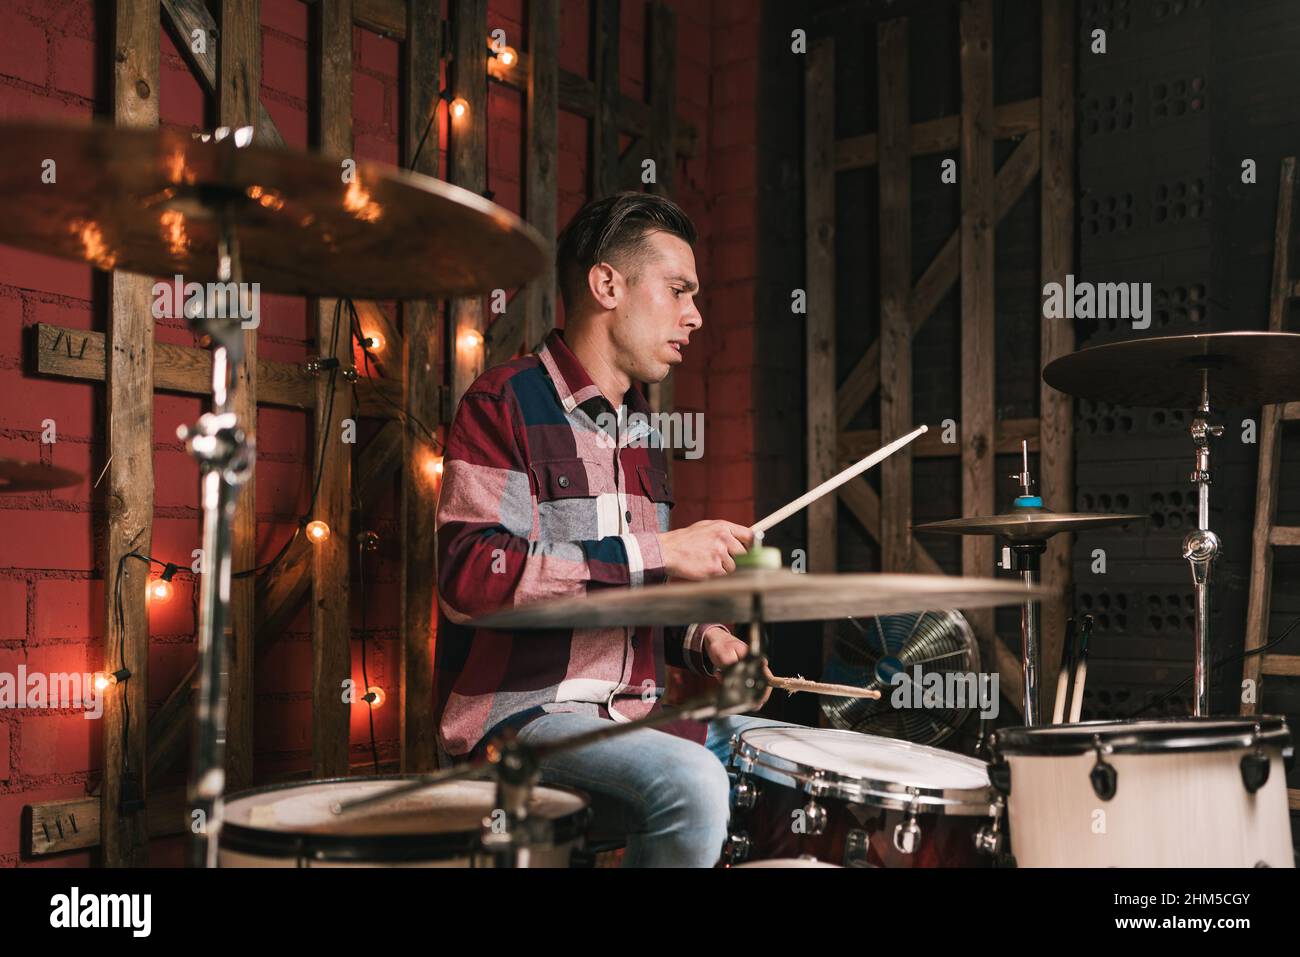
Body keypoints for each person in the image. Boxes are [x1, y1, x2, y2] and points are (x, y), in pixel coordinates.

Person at [433, 191, 794, 866]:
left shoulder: (644, 434)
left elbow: (625, 595)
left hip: (637, 715)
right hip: (524, 718)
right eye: (679, 290)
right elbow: (470, 576)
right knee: (694, 782)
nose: (695, 315)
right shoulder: (503, 403)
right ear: (607, 284)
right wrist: (658, 551)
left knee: (795, 763)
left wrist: (703, 638)